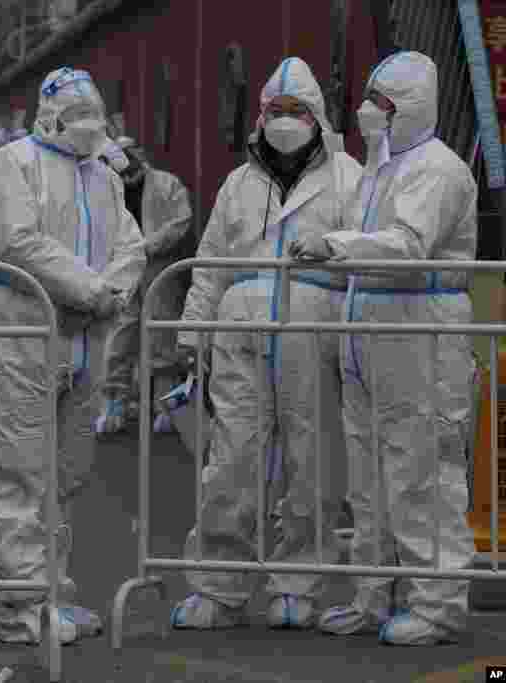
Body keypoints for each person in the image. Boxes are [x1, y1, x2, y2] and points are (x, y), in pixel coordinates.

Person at [289, 51, 477, 646]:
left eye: (382, 102)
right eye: (370, 99)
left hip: (419, 329)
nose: (368, 111)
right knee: (367, 475)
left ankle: (437, 604)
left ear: (410, 107)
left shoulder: (437, 169)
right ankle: (374, 594)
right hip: (369, 329)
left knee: (422, 471)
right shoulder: (382, 168)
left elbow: (408, 244)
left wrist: (335, 245)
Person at [169, 57, 362, 630]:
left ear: (317, 115)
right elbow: (210, 263)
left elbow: (366, 253)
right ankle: (219, 585)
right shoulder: (239, 183)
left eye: (295, 110)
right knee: (231, 461)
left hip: (314, 330)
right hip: (241, 331)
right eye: (275, 110)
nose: (284, 120)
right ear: (260, 116)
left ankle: (298, 584)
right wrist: (193, 332)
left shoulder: (349, 177)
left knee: (314, 462)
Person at [0, 66, 145, 645]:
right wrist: (91, 290)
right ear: (47, 116)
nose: (88, 124)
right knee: (11, 464)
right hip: (18, 329)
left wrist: (113, 291)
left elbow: (131, 244)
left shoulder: (103, 176)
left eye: (95, 113)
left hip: (84, 338)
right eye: (76, 114)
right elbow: (17, 241)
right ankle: (24, 601)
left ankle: (54, 591)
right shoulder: (11, 164)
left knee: (65, 474)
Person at [94, 135, 193, 434]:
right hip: (124, 271)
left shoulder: (167, 184)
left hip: (159, 270)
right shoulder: (107, 188)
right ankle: (114, 403)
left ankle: (170, 408)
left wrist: (148, 246)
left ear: (139, 153)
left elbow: (180, 221)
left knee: (164, 339)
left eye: (130, 154)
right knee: (120, 338)